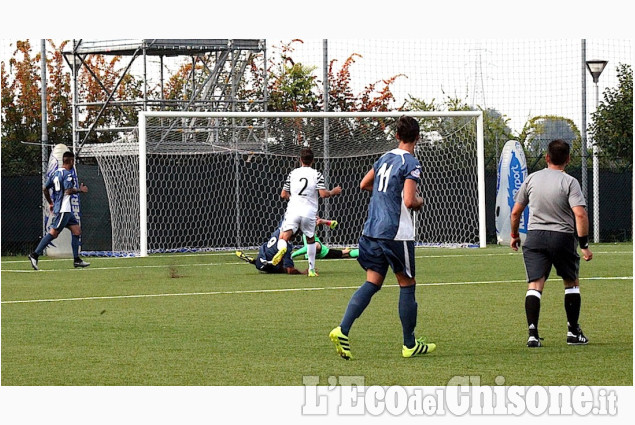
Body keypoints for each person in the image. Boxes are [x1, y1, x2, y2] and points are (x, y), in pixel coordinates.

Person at [329, 115, 436, 360]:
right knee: (407, 285)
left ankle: (342, 329)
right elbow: (410, 200)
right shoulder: (411, 162)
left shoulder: (384, 158)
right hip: (396, 234)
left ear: (397, 136)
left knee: (373, 282)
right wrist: (420, 201)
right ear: (417, 138)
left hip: (371, 230)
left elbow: (364, 184)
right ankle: (409, 344)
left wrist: (385, 193)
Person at [510, 139, 593, 348]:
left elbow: (515, 212)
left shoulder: (531, 179)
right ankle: (573, 332)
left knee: (535, 285)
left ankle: (532, 334)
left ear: (547, 158)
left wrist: (514, 235)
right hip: (562, 238)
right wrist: (583, 244)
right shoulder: (570, 182)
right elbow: (580, 214)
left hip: (535, 237)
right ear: (568, 159)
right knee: (571, 282)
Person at [273, 147, 342, 277]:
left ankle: (282, 248)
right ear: (313, 161)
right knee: (310, 239)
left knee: (283, 237)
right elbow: (323, 194)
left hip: (293, 209)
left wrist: (293, 198)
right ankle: (311, 269)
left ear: (300, 160)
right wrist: (333, 191)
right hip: (309, 211)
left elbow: (283, 194)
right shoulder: (317, 174)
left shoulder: (292, 174)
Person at [28, 151, 90, 270]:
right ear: (70, 161)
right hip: (63, 210)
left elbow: (45, 188)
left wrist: (51, 202)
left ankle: (77, 260)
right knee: (53, 233)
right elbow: (68, 191)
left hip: (65, 210)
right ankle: (34, 255)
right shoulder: (67, 174)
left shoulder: (55, 173)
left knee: (77, 231)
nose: (73, 164)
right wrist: (80, 190)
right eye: (73, 161)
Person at [235, 221, 307, 275]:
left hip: (262, 254)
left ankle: (255, 261)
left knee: (273, 251)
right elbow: (290, 270)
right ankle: (261, 262)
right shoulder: (287, 247)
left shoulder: (278, 231)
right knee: (283, 269)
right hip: (268, 266)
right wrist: (303, 272)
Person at [291, 218, 359, 261]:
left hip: (325, 252)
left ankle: (362, 252)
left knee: (347, 253)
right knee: (345, 253)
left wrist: (292, 255)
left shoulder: (313, 239)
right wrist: (328, 222)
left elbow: (308, 248)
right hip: (321, 251)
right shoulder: (307, 229)